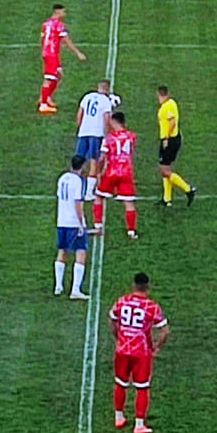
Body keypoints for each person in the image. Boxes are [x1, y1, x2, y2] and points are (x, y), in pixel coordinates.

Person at [109, 271, 169, 433]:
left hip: (123, 349)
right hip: (141, 352)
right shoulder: (151, 306)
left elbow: (112, 321)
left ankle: (119, 417)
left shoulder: (121, 302)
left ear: (134, 285)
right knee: (142, 387)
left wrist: (118, 338)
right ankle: (139, 424)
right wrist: (157, 347)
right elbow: (164, 331)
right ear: (148, 287)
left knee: (120, 383)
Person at [94, 111, 139, 240]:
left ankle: (98, 225)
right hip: (126, 172)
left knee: (99, 196)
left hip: (112, 171)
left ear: (113, 122)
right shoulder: (132, 136)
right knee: (128, 202)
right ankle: (131, 231)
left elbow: (102, 157)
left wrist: (99, 171)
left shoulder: (109, 138)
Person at [55, 155, 92, 300]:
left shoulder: (63, 178)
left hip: (61, 220)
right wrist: (81, 222)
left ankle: (58, 285)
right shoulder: (78, 181)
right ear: (82, 166)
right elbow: (78, 203)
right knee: (81, 252)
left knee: (62, 252)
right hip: (73, 222)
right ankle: (75, 289)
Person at [39, 4, 88, 115]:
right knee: (50, 78)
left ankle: (47, 98)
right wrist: (78, 53)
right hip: (51, 54)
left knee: (59, 75)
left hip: (48, 53)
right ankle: (43, 104)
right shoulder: (59, 25)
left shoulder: (46, 24)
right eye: (63, 12)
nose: (64, 14)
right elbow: (66, 41)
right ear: (57, 12)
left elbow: (43, 38)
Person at [156, 85, 194, 207]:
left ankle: (188, 189)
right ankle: (167, 199)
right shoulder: (170, 103)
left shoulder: (168, 106)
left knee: (164, 170)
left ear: (161, 95)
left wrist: (166, 138)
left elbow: (172, 122)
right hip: (170, 139)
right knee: (166, 168)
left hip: (170, 140)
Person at [75, 78, 120, 182]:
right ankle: (90, 189)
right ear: (108, 89)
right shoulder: (105, 100)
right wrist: (108, 134)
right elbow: (107, 119)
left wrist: (80, 127)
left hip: (84, 132)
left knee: (79, 159)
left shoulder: (87, 96)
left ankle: (76, 182)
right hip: (96, 133)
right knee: (93, 160)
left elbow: (79, 114)